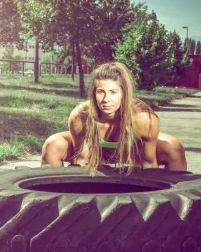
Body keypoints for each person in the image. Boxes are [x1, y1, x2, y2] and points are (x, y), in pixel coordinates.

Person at [41, 62, 187, 175]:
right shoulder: (81, 116)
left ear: (124, 93)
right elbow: (81, 161)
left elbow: (148, 163)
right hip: (96, 151)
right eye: (101, 92)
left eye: (113, 92)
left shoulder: (143, 119)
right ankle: (52, 205)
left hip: (131, 150)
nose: (106, 99)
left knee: (173, 146)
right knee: (53, 144)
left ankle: (175, 209)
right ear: (93, 93)